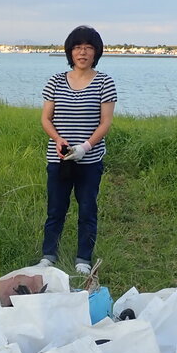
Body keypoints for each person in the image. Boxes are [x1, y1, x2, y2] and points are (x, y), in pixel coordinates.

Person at [35, 25, 117, 275]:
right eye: (77, 47)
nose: (82, 52)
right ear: (70, 52)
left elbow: (106, 122)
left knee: (87, 209)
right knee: (56, 209)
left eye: (88, 47)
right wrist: (59, 140)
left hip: (90, 159)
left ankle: (83, 258)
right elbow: (46, 119)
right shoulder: (56, 81)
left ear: (96, 52)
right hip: (59, 158)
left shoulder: (105, 82)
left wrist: (85, 146)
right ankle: (48, 255)